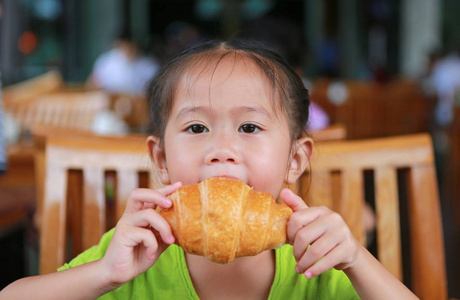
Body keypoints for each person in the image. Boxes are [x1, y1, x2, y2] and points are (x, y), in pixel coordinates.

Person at [0, 40, 417, 299]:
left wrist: (357, 260)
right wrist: (103, 274)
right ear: (161, 160)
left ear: (296, 159)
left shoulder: (315, 264)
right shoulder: (138, 250)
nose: (222, 149)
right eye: (197, 127)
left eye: (249, 127)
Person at [87, 35, 159, 96]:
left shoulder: (148, 64)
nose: (127, 50)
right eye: (124, 46)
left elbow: (156, 89)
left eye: (130, 47)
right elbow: (92, 84)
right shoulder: (106, 61)